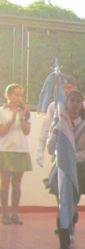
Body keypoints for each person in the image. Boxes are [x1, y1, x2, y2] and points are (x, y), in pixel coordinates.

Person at [45, 89, 85, 249]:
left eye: (78, 101)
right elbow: (50, 149)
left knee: (71, 205)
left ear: (82, 105)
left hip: (77, 169)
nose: (75, 104)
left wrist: (71, 157)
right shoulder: (60, 125)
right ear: (66, 103)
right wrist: (54, 134)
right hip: (61, 169)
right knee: (62, 206)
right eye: (72, 100)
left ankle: (71, 221)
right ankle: (64, 244)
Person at [36, 77, 85, 168]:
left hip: (79, 157)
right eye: (64, 87)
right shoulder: (54, 106)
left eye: (69, 87)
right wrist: (40, 151)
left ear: (74, 88)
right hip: (60, 156)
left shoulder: (83, 105)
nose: (66, 90)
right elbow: (46, 129)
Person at [0, 84, 32, 226]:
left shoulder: (25, 112)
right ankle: (4, 214)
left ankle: (14, 214)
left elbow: (26, 131)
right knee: (4, 184)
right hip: (5, 150)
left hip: (21, 150)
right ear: (7, 95)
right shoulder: (1, 111)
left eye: (21, 95)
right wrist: (13, 119)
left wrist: (22, 118)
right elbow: (1, 132)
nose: (19, 98)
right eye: (16, 94)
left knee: (17, 184)